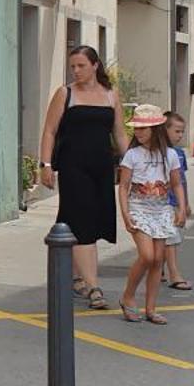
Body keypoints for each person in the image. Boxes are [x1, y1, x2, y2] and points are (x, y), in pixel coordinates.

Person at [39, 45, 130, 310]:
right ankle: (94, 287)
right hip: (72, 166)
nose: (76, 71)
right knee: (82, 223)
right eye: (73, 67)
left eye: (81, 65)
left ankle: (74, 276)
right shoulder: (65, 94)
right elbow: (49, 131)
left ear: (95, 66)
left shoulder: (111, 95)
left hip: (101, 167)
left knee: (89, 220)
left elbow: (120, 133)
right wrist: (45, 164)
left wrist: (131, 164)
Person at [116, 105, 175, 323]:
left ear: (156, 129)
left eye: (142, 129)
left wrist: (180, 207)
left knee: (158, 259)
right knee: (147, 255)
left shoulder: (170, 155)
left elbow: (177, 183)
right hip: (138, 209)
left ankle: (151, 308)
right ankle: (128, 296)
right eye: (136, 129)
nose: (137, 133)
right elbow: (123, 186)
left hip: (161, 210)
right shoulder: (132, 155)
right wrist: (125, 213)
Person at [158, 109, 193, 291]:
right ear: (164, 130)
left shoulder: (179, 154)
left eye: (182, 132)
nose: (180, 135)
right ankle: (174, 274)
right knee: (170, 238)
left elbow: (181, 180)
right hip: (162, 203)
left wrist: (184, 203)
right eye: (177, 131)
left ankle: (159, 270)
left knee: (168, 238)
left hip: (175, 203)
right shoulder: (158, 153)